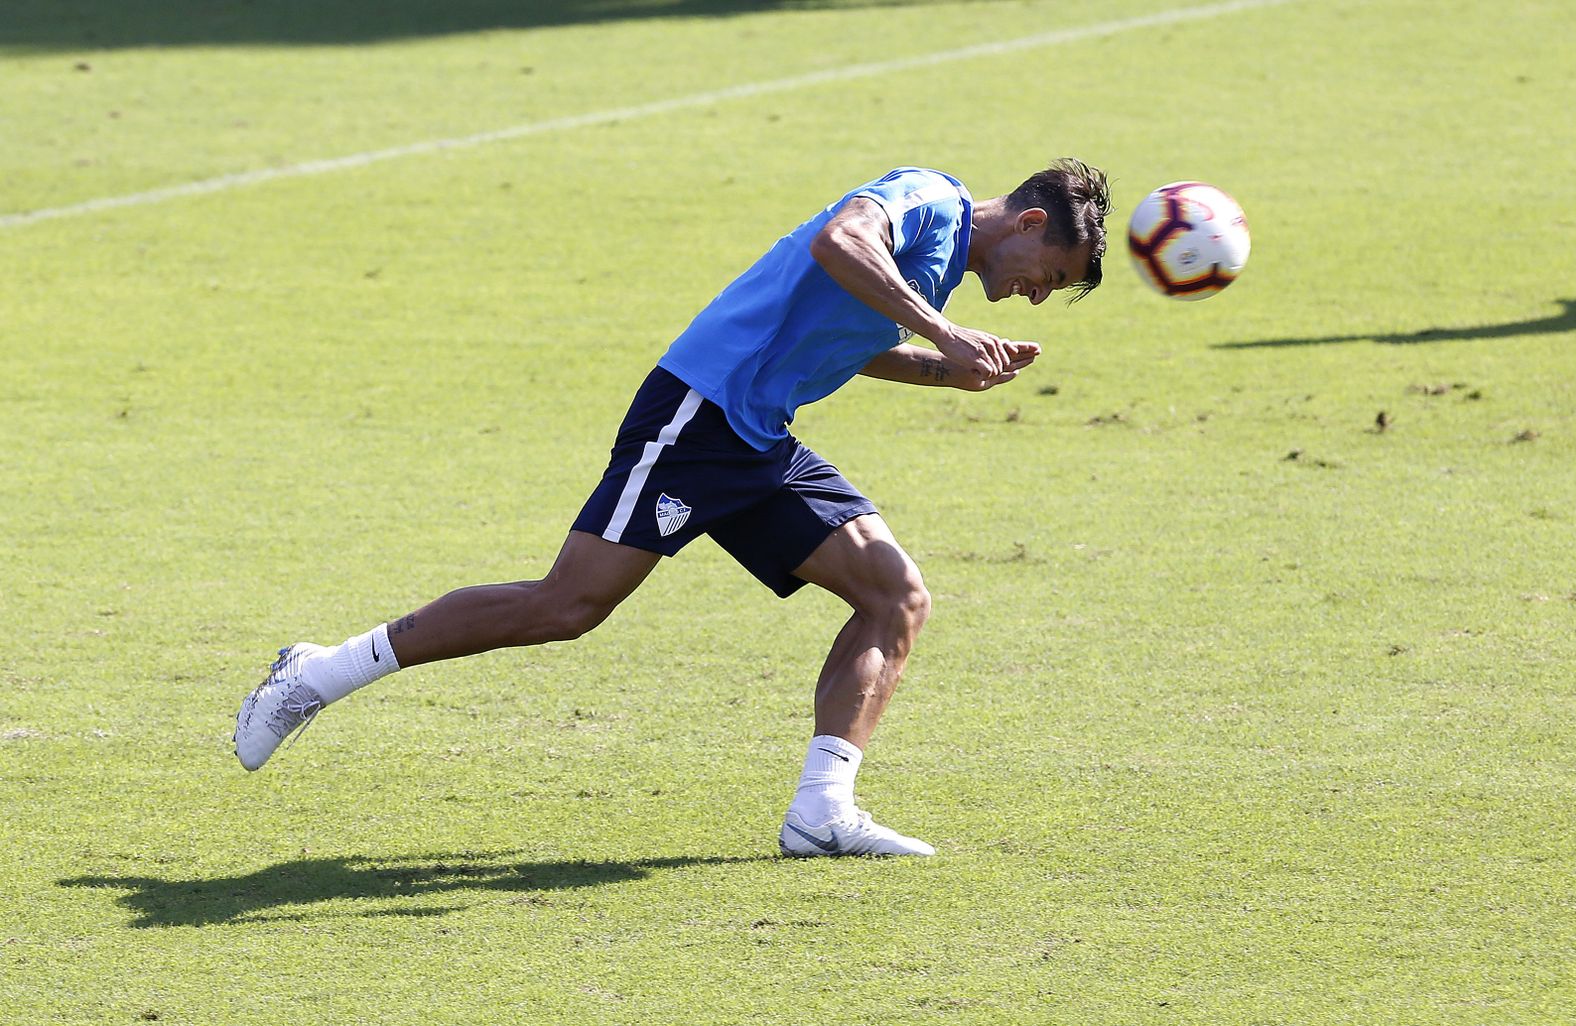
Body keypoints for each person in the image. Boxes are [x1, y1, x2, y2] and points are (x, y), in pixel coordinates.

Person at [234, 159, 1112, 858]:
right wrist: (944, 333)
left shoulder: (937, 277)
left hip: (759, 438)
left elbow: (843, 339)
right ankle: (318, 673)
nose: (1036, 294)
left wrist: (938, 367)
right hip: (698, 414)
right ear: (1030, 222)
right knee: (565, 607)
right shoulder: (924, 200)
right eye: (1051, 274)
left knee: (896, 595)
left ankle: (822, 813)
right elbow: (841, 241)